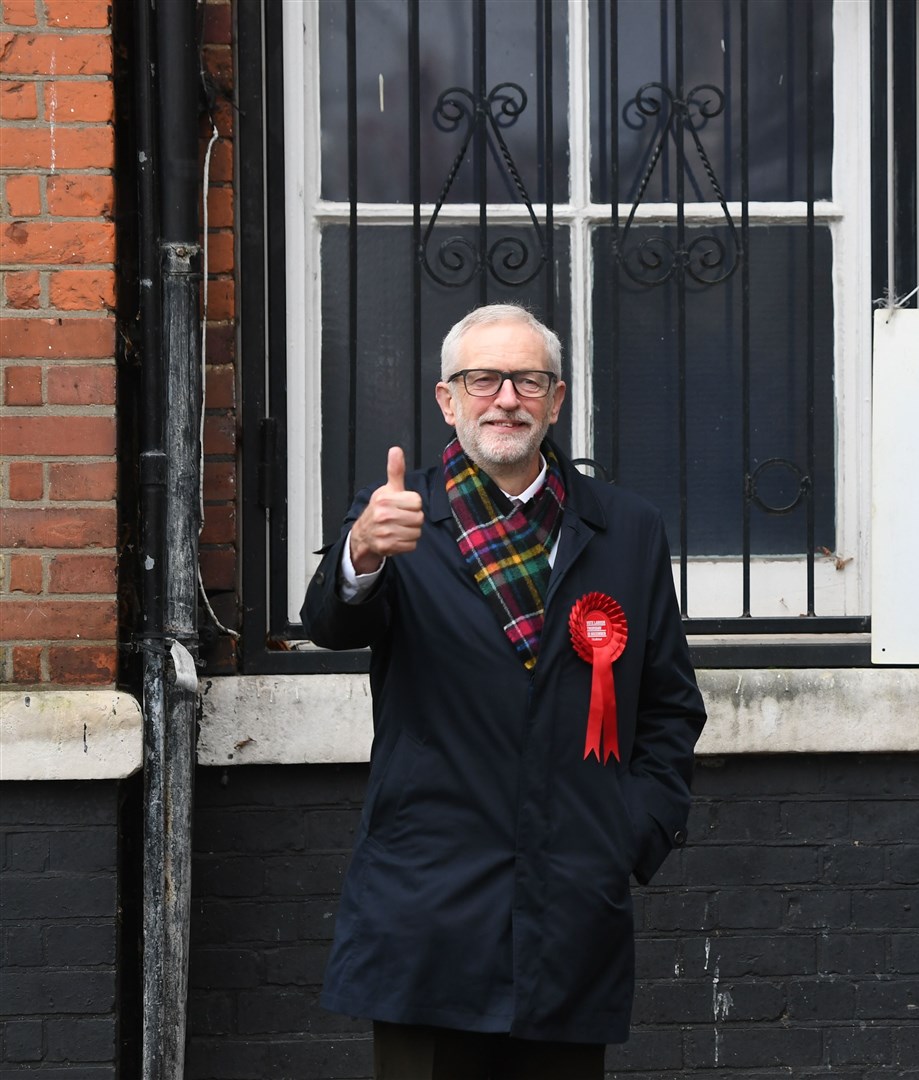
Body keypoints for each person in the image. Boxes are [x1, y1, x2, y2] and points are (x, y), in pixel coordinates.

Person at [301, 303, 706, 1079]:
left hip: (571, 908)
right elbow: (331, 622)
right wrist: (358, 551)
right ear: (447, 400)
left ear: (555, 400)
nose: (506, 398)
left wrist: (631, 830)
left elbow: (668, 703)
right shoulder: (396, 518)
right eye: (482, 379)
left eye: (526, 379)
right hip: (429, 911)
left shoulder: (627, 528)